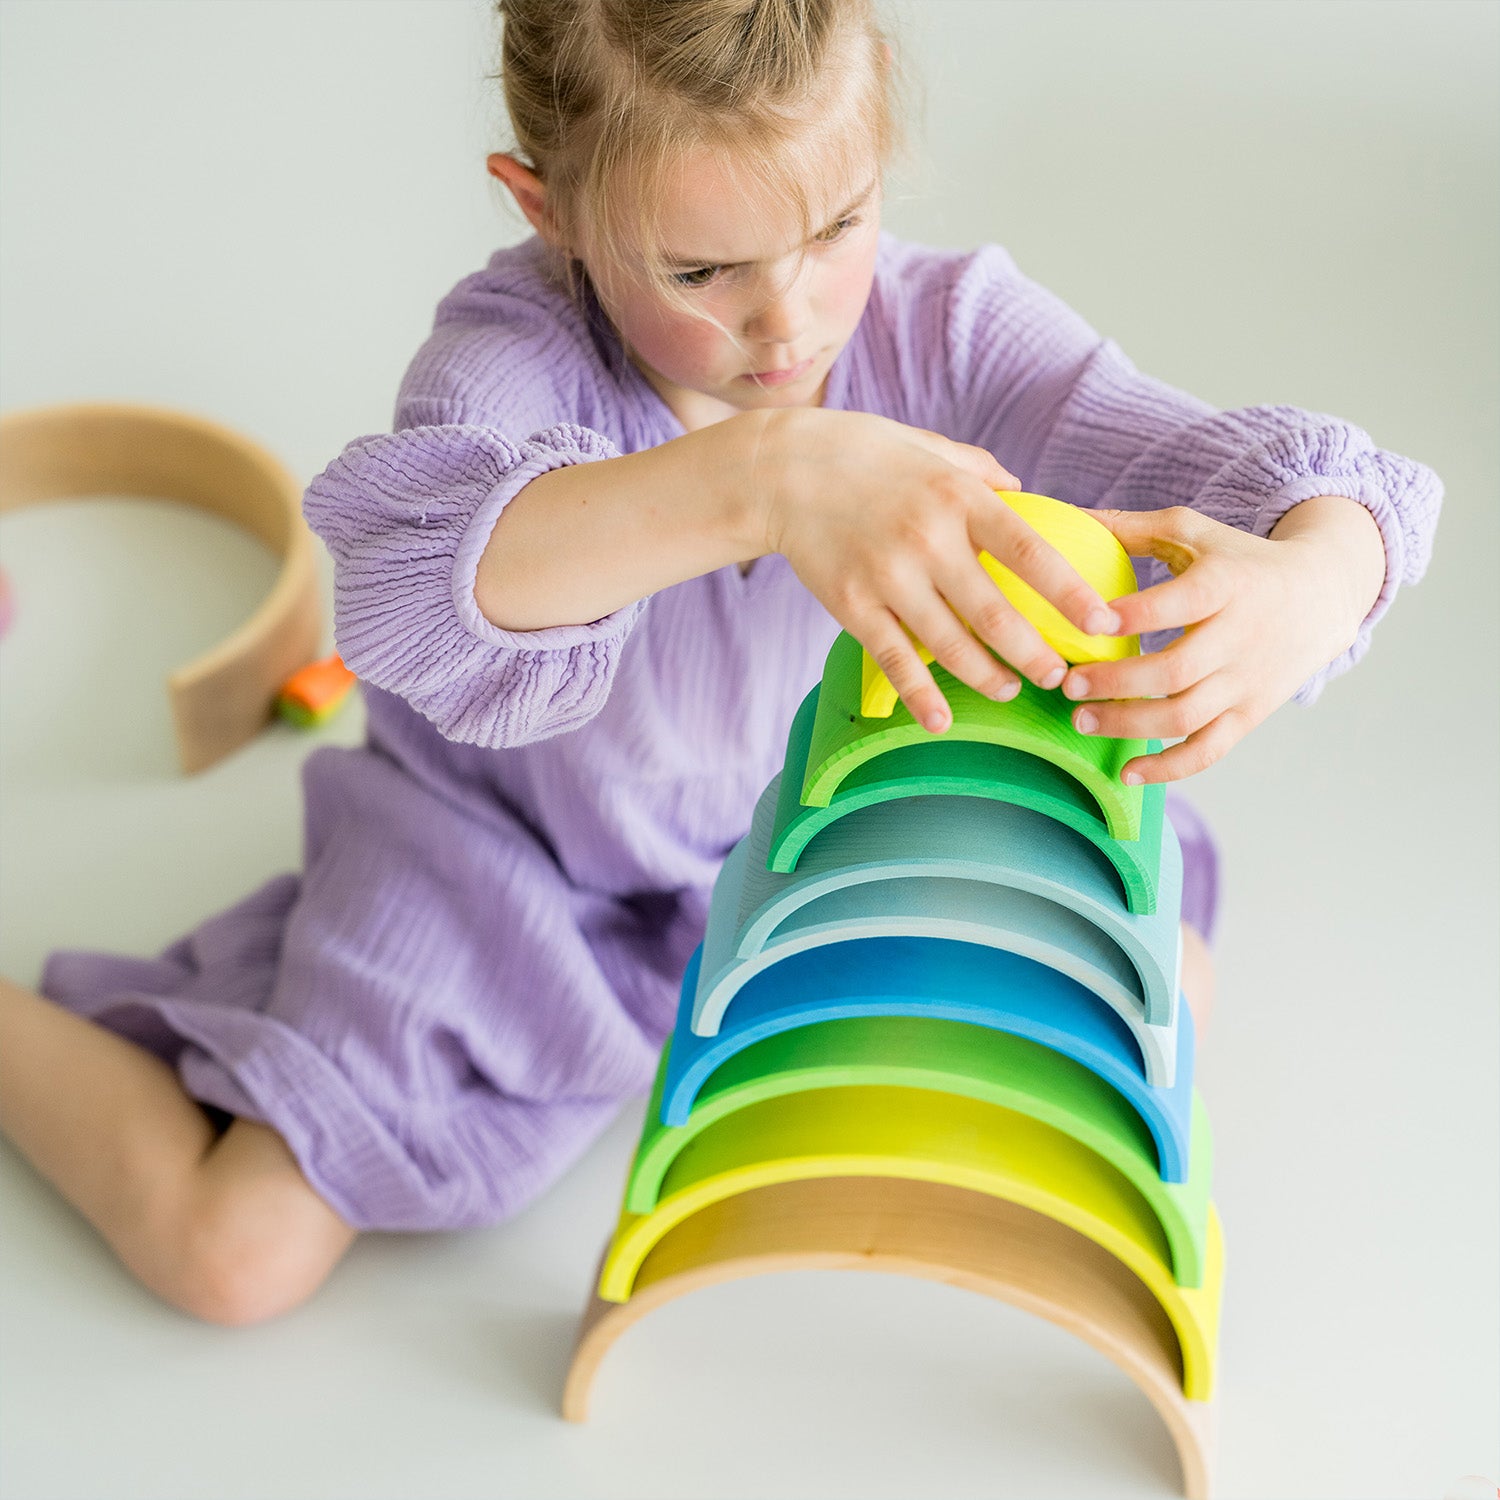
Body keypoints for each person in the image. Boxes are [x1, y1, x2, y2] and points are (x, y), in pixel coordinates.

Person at [0, 0, 1441, 1329]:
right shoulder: (517, 355)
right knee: (234, 1253)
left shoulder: (947, 331)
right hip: (508, 864)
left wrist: (1317, 578)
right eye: (700, 270)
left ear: (878, 126)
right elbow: (409, 587)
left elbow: (1291, 480)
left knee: (1154, 984)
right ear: (548, 210)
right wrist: (768, 477)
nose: (788, 321)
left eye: (837, 225)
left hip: (813, 845)